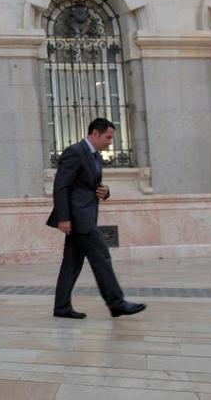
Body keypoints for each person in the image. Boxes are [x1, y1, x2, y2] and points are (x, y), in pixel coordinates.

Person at [46, 118, 146, 319]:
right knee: (101, 256)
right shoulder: (74, 152)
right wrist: (63, 218)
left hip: (85, 216)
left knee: (72, 263)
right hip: (78, 218)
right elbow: (61, 187)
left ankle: (61, 307)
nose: (110, 141)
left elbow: (91, 185)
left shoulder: (94, 156)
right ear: (95, 134)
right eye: (108, 137)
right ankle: (116, 303)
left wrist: (105, 191)